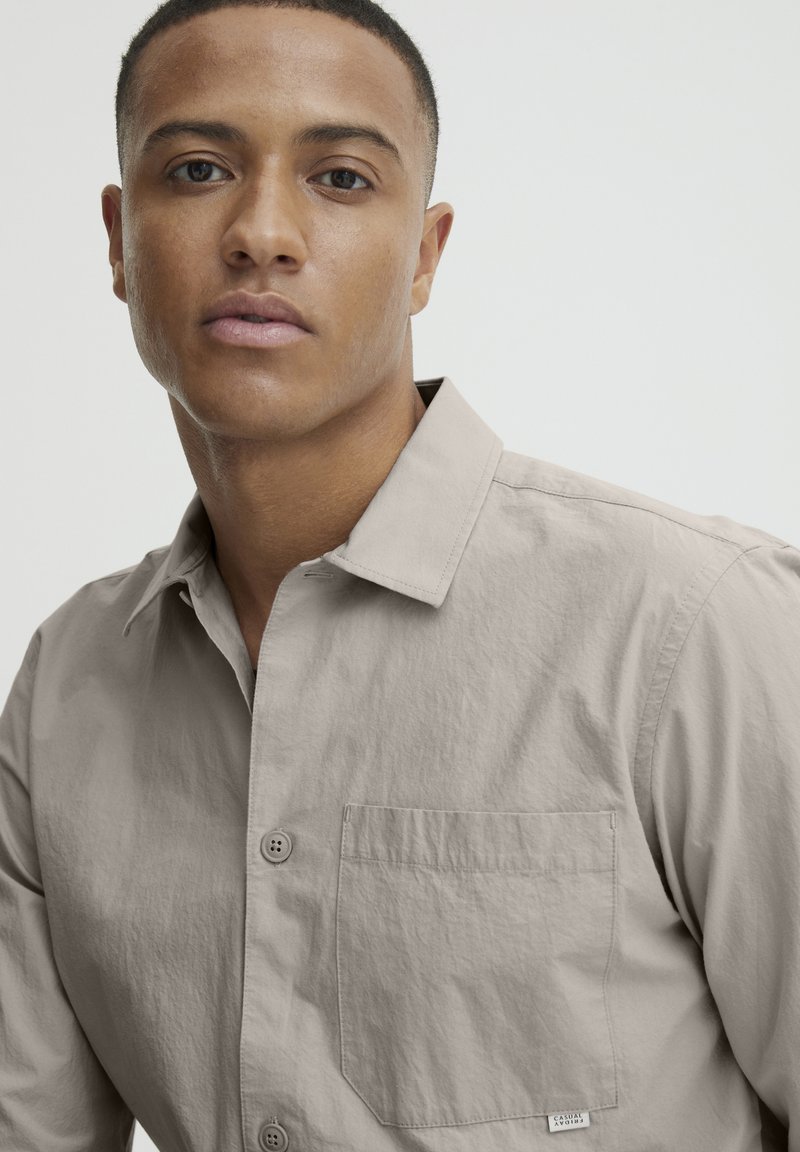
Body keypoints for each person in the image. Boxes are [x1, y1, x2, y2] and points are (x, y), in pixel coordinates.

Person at [0, 0, 797, 1148]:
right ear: (121, 241)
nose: (261, 233)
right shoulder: (68, 688)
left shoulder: (695, 627)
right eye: (199, 169)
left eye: (339, 178)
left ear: (423, 257)